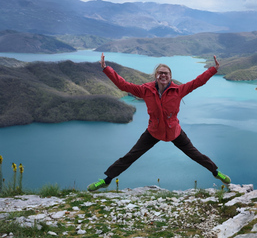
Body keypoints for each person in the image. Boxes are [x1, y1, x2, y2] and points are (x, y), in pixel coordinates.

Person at [87, 53, 231, 191]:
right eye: (160, 73)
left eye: (166, 73)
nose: (163, 75)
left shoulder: (178, 91)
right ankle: (106, 180)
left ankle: (215, 172)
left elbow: (197, 82)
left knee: (195, 154)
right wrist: (106, 69)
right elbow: (123, 85)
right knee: (131, 156)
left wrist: (213, 70)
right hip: (154, 132)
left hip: (174, 132)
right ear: (156, 76)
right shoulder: (145, 90)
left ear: (170, 76)